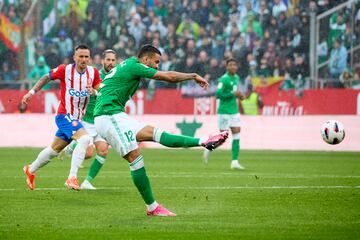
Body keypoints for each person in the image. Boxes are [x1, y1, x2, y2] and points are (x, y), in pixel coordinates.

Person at [93, 44, 229, 217]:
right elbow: (169, 77)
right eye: (156, 62)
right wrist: (193, 75)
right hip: (109, 115)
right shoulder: (135, 65)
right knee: (135, 158)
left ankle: (203, 141)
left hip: (116, 115)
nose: (157, 66)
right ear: (146, 59)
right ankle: (152, 207)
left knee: (155, 133)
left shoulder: (128, 65)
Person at [22, 44, 101, 191]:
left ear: (89, 58)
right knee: (84, 139)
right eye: (80, 56)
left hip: (77, 119)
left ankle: (30, 169)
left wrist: (94, 92)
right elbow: (47, 77)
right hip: (64, 115)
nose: (83, 59)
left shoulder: (93, 73)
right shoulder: (65, 70)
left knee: (54, 150)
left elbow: (99, 89)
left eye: (86, 57)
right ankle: (72, 177)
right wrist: (31, 93)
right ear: (74, 57)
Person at [60, 49, 117, 190]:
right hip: (87, 119)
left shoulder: (116, 77)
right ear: (102, 61)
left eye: (113, 60)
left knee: (103, 150)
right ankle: (71, 148)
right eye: (108, 60)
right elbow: (85, 92)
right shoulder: (93, 74)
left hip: (102, 120)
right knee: (89, 153)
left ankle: (87, 182)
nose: (110, 63)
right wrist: (94, 92)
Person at [203, 58, 245, 170]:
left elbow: (235, 93)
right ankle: (209, 147)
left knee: (237, 135)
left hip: (234, 111)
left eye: (235, 65)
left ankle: (235, 161)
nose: (233, 67)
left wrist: (240, 96)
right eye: (230, 65)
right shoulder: (223, 79)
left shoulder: (236, 78)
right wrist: (232, 94)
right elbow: (218, 94)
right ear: (227, 67)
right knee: (223, 138)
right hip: (224, 111)